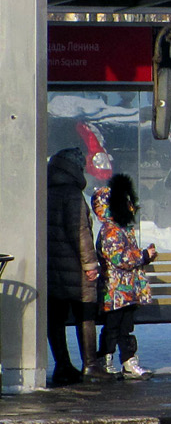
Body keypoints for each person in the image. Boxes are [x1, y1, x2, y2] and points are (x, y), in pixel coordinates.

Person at [93, 174, 158, 381]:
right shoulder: (111, 231)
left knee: (125, 327)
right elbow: (120, 258)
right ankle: (105, 358)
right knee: (113, 326)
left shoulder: (122, 229)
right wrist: (143, 255)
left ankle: (128, 360)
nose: (131, 206)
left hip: (127, 292)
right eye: (126, 202)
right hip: (115, 292)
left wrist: (143, 257)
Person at [45, 147, 99, 386]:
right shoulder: (72, 194)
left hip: (51, 265)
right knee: (84, 313)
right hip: (74, 267)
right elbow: (80, 232)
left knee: (55, 317)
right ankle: (90, 365)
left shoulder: (46, 190)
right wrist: (89, 264)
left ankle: (62, 365)